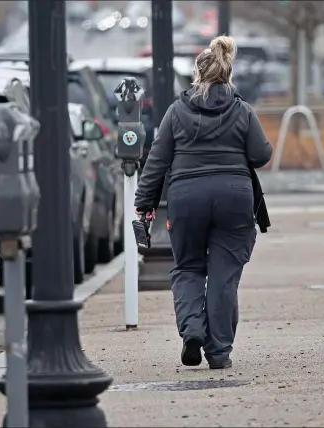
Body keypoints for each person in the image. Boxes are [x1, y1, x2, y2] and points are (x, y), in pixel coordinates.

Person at [134, 36, 272, 370]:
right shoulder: (242, 110)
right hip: (234, 198)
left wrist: (144, 202)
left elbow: (157, 160)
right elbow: (261, 154)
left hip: (187, 199)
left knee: (188, 267)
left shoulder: (177, 111)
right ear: (227, 73)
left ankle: (193, 330)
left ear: (198, 74)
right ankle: (219, 351)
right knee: (225, 275)